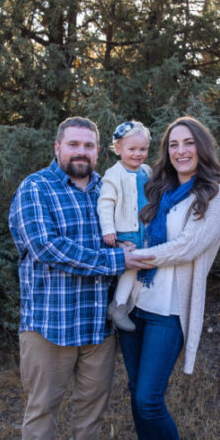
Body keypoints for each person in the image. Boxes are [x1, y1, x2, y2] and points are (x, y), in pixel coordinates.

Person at [8, 116, 154, 440]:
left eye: (88, 146)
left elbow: (124, 227)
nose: (81, 152)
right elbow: (47, 248)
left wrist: (128, 244)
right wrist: (116, 258)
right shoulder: (36, 188)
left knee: (92, 402)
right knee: (43, 406)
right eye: (73, 145)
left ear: (97, 150)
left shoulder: (104, 189)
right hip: (49, 324)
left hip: (96, 323)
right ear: (58, 148)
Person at [117, 116, 220, 440]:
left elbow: (187, 247)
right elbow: (139, 232)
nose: (180, 151)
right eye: (173, 144)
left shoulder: (214, 196)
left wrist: (138, 256)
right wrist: (130, 247)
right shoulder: (158, 190)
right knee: (134, 391)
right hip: (136, 304)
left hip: (169, 312)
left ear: (201, 147)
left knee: (150, 399)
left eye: (188, 143)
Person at [97, 120, 153, 332]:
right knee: (131, 266)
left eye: (143, 149)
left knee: (143, 265)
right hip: (126, 230)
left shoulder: (146, 171)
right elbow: (105, 203)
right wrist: (108, 230)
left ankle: (129, 304)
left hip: (144, 228)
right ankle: (118, 306)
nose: (138, 154)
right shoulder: (114, 173)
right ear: (118, 149)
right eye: (132, 149)